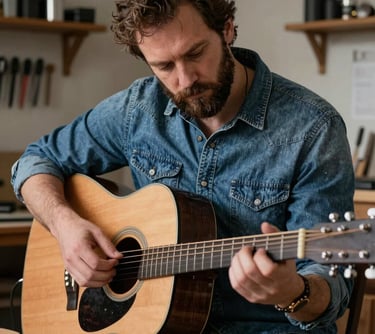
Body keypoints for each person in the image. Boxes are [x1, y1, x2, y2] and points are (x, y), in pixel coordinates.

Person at [11, 0, 355, 333]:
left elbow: (332, 287)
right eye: (164, 66)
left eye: (195, 53)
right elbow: (35, 162)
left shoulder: (313, 128)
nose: (185, 78)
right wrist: (65, 225)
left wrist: (293, 292)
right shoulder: (138, 109)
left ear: (228, 30)